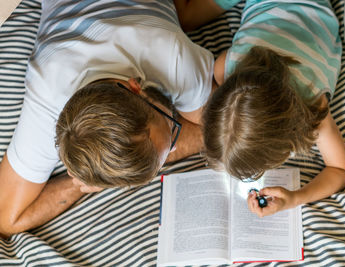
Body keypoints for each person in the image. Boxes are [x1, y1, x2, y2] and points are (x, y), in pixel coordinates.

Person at [0, 0, 215, 238]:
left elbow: (223, 129)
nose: (175, 144)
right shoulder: (46, 104)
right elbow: (6, 218)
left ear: (135, 87)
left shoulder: (170, 54)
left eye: (173, 127)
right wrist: (83, 182)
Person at [174, 0, 345, 217]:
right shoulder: (229, 63)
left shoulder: (313, 106)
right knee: (185, 17)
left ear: (286, 145)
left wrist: (295, 198)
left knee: (186, 16)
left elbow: (342, 171)